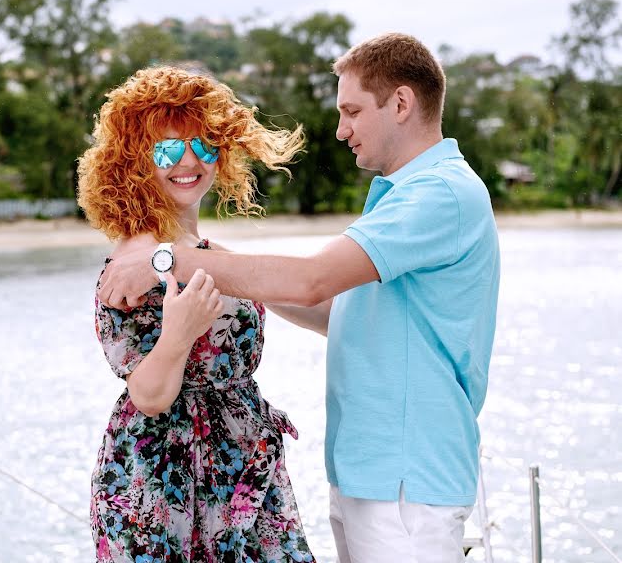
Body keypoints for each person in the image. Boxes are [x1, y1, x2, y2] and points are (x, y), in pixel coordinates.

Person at [98, 33, 501, 563]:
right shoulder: (400, 197)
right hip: (369, 473)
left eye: (352, 110)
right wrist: (216, 264)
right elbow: (339, 312)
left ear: (400, 104)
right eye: (170, 149)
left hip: (407, 480)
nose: (341, 129)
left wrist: (166, 261)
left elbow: (312, 280)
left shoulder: (438, 194)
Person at [79, 66, 316, 562]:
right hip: (165, 483)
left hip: (242, 465)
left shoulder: (202, 250)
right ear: (134, 162)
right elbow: (148, 395)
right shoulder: (134, 262)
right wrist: (179, 333)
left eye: (204, 146)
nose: (189, 162)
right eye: (168, 149)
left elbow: (311, 298)